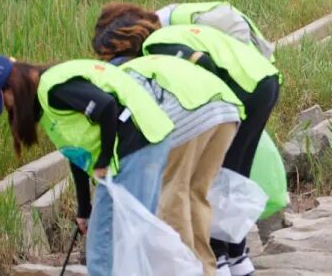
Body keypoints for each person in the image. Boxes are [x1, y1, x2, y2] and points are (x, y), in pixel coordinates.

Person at [93, 4, 280, 276]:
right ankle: (232, 258)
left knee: (194, 186)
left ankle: (214, 259)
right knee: (230, 177)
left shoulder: (159, 44)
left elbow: (201, 65)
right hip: (260, 82)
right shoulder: (175, 33)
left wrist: (208, 98)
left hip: (229, 95)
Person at [0, 55, 174, 276]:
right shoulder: (49, 98)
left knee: (105, 249)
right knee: (126, 241)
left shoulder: (54, 89)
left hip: (135, 146)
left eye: (4, 100)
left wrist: (103, 160)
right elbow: (77, 153)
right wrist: (84, 209)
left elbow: (106, 107)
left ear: (10, 87)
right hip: (143, 144)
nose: (9, 108)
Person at [94, 42, 243, 276]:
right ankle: (206, 269)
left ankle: (180, 270)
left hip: (188, 117)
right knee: (197, 193)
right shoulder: (155, 61)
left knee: (173, 194)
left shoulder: (121, 78)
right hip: (226, 111)